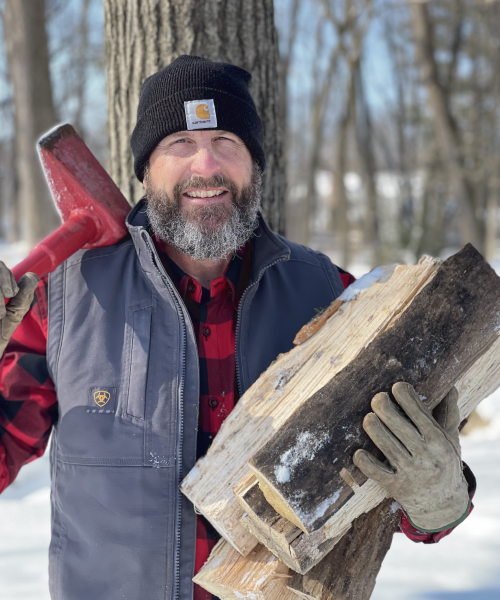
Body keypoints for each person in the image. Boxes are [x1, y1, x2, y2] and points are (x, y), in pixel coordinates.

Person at [0, 56, 474, 600]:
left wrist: (439, 501)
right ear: (145, 169)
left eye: (226, 139)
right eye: (179, 142)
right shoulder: (59, 303)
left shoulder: (333, 297)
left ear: (254, 163)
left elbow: (397, 480)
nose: (207, 166)